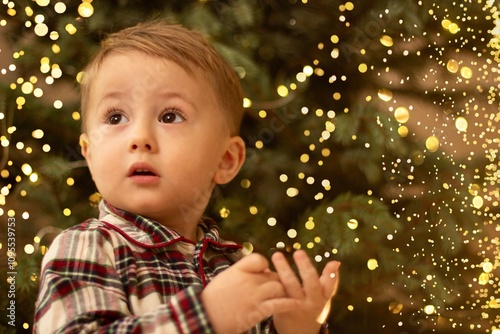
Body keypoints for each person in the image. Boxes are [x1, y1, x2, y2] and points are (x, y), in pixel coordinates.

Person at [33, 21, 340, 333]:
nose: (139, 137)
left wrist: (296, 327)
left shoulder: (236, 267)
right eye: (116, 117)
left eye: (170, 116)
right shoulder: (87, 247)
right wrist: (206, 316)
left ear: (226, 160)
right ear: (89, 152)